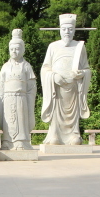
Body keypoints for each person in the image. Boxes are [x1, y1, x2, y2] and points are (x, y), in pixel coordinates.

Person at [41, 13, 91, 145]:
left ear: (74, 30)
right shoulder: (53, 46)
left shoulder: (80, 47)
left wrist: (81, 74)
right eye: (64, 29)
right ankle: (55, 135)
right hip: (57, 87)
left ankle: (74, 135)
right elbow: (45, 68)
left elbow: (86, 68)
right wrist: (53, 76)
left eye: (70, 29)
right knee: (57, 113)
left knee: (73, 115)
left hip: (74, 87)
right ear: (60, 30)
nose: (67, 32)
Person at [0, 29, 37, 150]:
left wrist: (29, 98)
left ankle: (21, 142)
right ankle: (7, 142)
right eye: (12, 49)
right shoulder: (5, 66)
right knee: (8, 120)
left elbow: (31, 86)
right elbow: (0, 86)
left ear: (23, 50)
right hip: (8, 98)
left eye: (17, 48)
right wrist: (1, 99)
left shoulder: (26, 66)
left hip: (21, 98)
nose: (14, 51)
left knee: (20, 120)